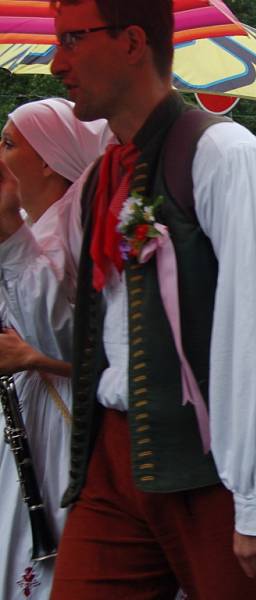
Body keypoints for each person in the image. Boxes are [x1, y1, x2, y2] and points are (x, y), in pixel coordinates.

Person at [0, 1, 256, 597]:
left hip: (209, 466)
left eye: (72, 40)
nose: (56, 62)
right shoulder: (98, 179)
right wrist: (9, 237)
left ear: (133, 41)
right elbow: (68, 339)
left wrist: (254, 499)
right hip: (112, 463)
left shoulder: (225, 154)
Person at [0, 97, 111, 599]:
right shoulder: (34, 226)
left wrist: (9, 236)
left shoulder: (81, 234)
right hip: (25, 412)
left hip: (63, 425)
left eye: (7, 143)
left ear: (46, 158)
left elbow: (58, 337)